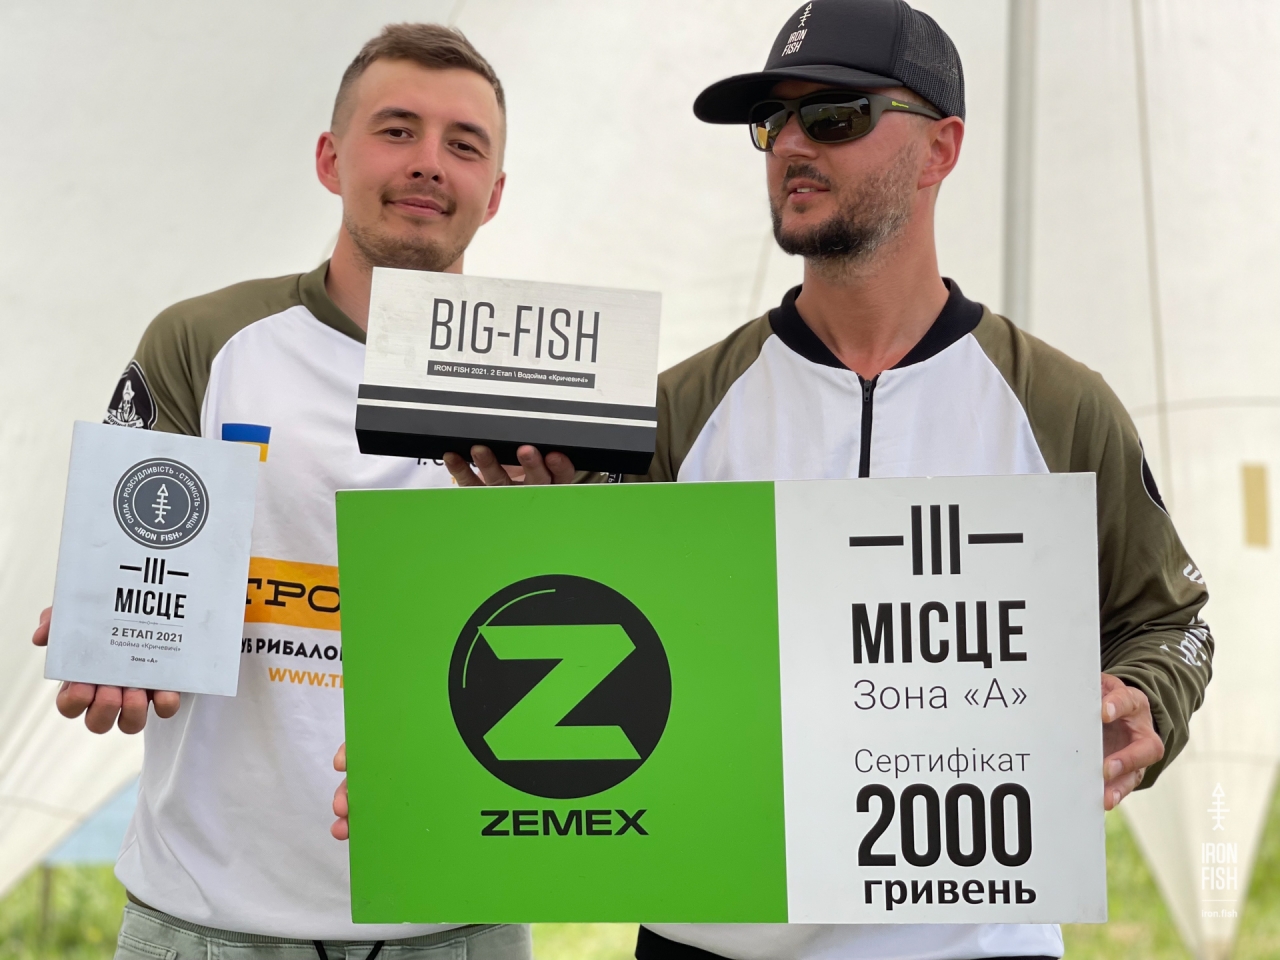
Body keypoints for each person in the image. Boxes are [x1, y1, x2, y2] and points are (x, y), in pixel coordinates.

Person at [432, 1, 1215, 958]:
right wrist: (535, 543)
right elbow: (589, 653)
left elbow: (1172, 620)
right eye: (773, 121)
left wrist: (1144, 699)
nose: (794, 145)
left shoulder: (1059, 404)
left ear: (941, 148)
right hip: (707, 942)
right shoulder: (678, 407)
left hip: (972, 944)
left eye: (835, 115)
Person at [32, 23, 531, 960]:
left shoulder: (549, 381)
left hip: (462, 915)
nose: (429, 162)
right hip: (206, 919)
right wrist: (112, 627)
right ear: (330, 158)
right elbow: (132, 569)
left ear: (495, 193)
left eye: (464, 145)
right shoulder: (203, 340)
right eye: (397, 130)